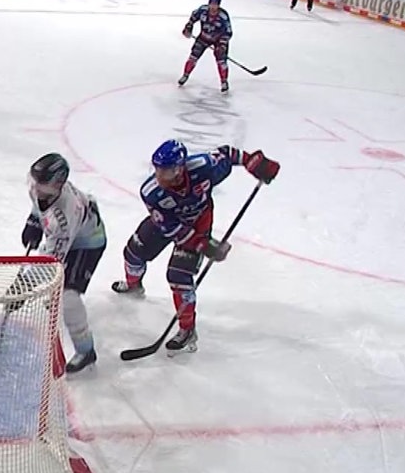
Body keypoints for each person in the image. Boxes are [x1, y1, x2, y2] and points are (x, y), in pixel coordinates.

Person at [111, 140, 279, 353]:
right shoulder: (151, 192)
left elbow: (226, 154)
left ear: (181, 168)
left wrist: (253, 162)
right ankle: (134, 285)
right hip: (167, 223)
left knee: (179, 277)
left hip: (199, 222)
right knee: (132, 254)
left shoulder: (203, 166)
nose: (160, 176)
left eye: (167, 171)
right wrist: (203, 245)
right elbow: (170, 228)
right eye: (157, 170)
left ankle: (187, 329)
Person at [19, 153, 107, 373]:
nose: (35, 188)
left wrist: (24, 286)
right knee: (56, 282)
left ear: (58, 184)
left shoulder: (65, 217)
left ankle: (86, 350)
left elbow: (52, 262)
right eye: (35, 182)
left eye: (42, 185)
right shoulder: (40, 189)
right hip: (68, 237)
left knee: (68, 296)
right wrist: (34, 223)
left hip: (87, 244)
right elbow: (39, 208)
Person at [178, 0, 233, 92]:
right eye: (211, 4)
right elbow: (193, 17)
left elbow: (228, 32)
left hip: (218, 40)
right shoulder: (202, 10)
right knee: (193, 57)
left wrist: (222, 45)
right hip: (203, 37)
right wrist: (188, 27)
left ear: (218, 6)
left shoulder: (223, 16)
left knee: (221, 61)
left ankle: (224, 81)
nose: (212, 7)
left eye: (215, 5)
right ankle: (185, 75)